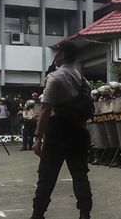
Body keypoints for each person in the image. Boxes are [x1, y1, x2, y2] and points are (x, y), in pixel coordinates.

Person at [30, 41, 92, 219]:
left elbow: (45, 109)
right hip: (79, 132)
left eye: (57, 53)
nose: (55, 57)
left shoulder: (55, 77)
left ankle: (37, 214)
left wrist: (38, 137)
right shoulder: (83, 80)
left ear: (63, 55)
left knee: (46, 176)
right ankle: (85, 213)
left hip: (57, 133)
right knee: (80, 174)